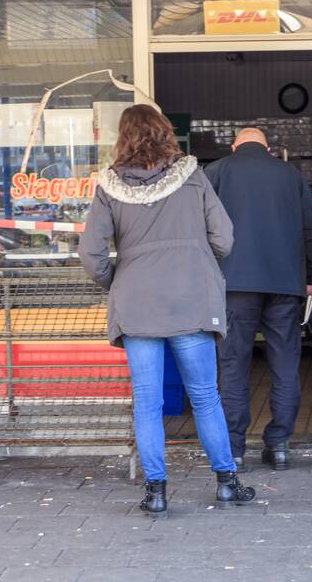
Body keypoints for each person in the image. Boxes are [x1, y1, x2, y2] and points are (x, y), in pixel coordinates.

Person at [79, 104, 255, 517]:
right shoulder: (192, 177)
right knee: (206, 397)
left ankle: (156, 491)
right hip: (191, 300)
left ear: (123, 137)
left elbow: (91, 254)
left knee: (147, 402)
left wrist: (120, 281)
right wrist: (196, 263)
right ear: (163, 132)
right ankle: (226, 482)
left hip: (137, 304)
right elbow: (225, 238)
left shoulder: (108, 186)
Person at [205, 128, 312, 471]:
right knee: (286, 364)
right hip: (285, 286)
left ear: (234, 147)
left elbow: (200, 228)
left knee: (233, 365)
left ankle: (234, 449)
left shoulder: (216, 172)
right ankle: (279, 444)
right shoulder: (290, 175)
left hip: (233, 286)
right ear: (268, 148)